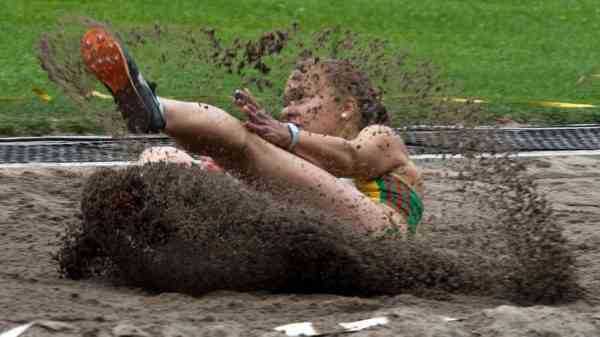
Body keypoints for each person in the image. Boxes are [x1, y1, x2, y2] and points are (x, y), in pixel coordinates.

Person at [80, 27, 424, 234]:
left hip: (379, 239)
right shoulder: (297, 158)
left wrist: (285, 135)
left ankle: (155, 108)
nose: (289, 109)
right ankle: (154, 222)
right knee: (161, 156)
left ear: (347, 106)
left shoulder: (381, 137)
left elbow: (351, 159)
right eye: (287, 100)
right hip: (308, 249)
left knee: (243, 145)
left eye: (303, 98)